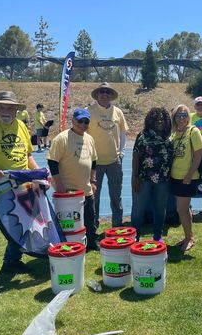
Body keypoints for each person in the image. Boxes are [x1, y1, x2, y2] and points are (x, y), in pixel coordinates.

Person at [0, 91, 39, 296]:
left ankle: (11, 262)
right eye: (2, 107)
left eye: (10, 107)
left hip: (20, 187)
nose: (6, 110)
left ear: (16, 109)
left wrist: (37, 173)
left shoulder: (21, 126)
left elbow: (28, 155)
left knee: (21, 226)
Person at [47, 108, 99, 251]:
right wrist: (59, 184)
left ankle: (92, 243)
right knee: (68, 221)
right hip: (68, 190)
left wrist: (93, 181)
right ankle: (66, 244)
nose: (82, 124)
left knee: (90, 218)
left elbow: (94, 161)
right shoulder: (62, 138)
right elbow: (52, 161)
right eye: (80, 121)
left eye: (85, 122)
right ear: (73, 121)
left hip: (86, 188)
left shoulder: (89, 138)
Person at [88, 82, 129, 227]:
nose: (105, 94)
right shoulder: (89, 111)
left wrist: (122, 153)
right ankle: (93, 225)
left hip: (114, 162)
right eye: (102, 92)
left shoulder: (118, 112)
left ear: (111, 95)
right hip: (94, 164)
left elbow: (123, 132)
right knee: (94, 197)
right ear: (97, 94)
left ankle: (117, 225)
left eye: (108, 92)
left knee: (116, 196)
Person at [131, 107, 173, 242]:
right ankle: (135, 237)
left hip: (163, 179)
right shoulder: (143, 135)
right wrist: (135, 177)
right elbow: (136, 157)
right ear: (150, 120)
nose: (160, 121)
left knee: (160, 208)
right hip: (144, 178)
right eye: (156, 119)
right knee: (138, 209)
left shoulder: (168, 137)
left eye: (162, 119)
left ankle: (158, 235)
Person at [171, 104, 202, 251]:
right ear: (174, 118)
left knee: (181, 209)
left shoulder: (193, 131)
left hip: (187, 177)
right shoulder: (175, 133)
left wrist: (189, 175)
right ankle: (188, 236)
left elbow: (199, 155)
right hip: (175, 177)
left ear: (188, 117)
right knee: (184, 209)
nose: (182, 118)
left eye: (184, 115)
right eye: (178, 115)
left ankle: (189, 238)